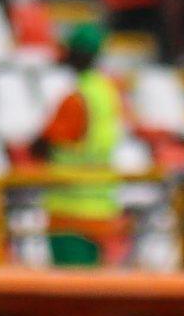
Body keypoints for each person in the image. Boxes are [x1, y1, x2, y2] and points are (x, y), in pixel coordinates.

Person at [32, 25, 130, 268]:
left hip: (70, 213)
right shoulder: (107, 91)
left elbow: (41, 145)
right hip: (103, 208)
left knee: (71, 293)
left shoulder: (76, 99)